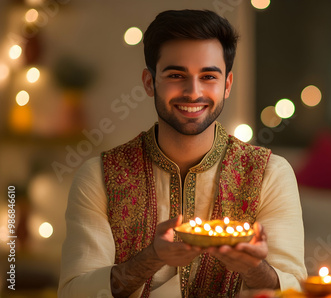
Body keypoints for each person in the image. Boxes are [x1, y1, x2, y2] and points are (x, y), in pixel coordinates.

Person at [58, 9, 306, 298]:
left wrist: (251, 267)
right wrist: (151, 257)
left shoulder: (269, 174)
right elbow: (74, 292)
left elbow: (296, 289)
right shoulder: (99, 176)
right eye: (176, 75)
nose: (193, 92)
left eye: (208, 76)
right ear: (150, 82)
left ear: (227, 85)